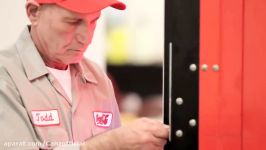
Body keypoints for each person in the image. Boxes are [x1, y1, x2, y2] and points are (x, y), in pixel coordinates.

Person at [0, 0, 169, 149]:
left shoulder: (99, 78)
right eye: (72, 21)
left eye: (94, 21)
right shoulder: (6, 76)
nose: (87, 38)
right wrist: (106, 145)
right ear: (33, 12)